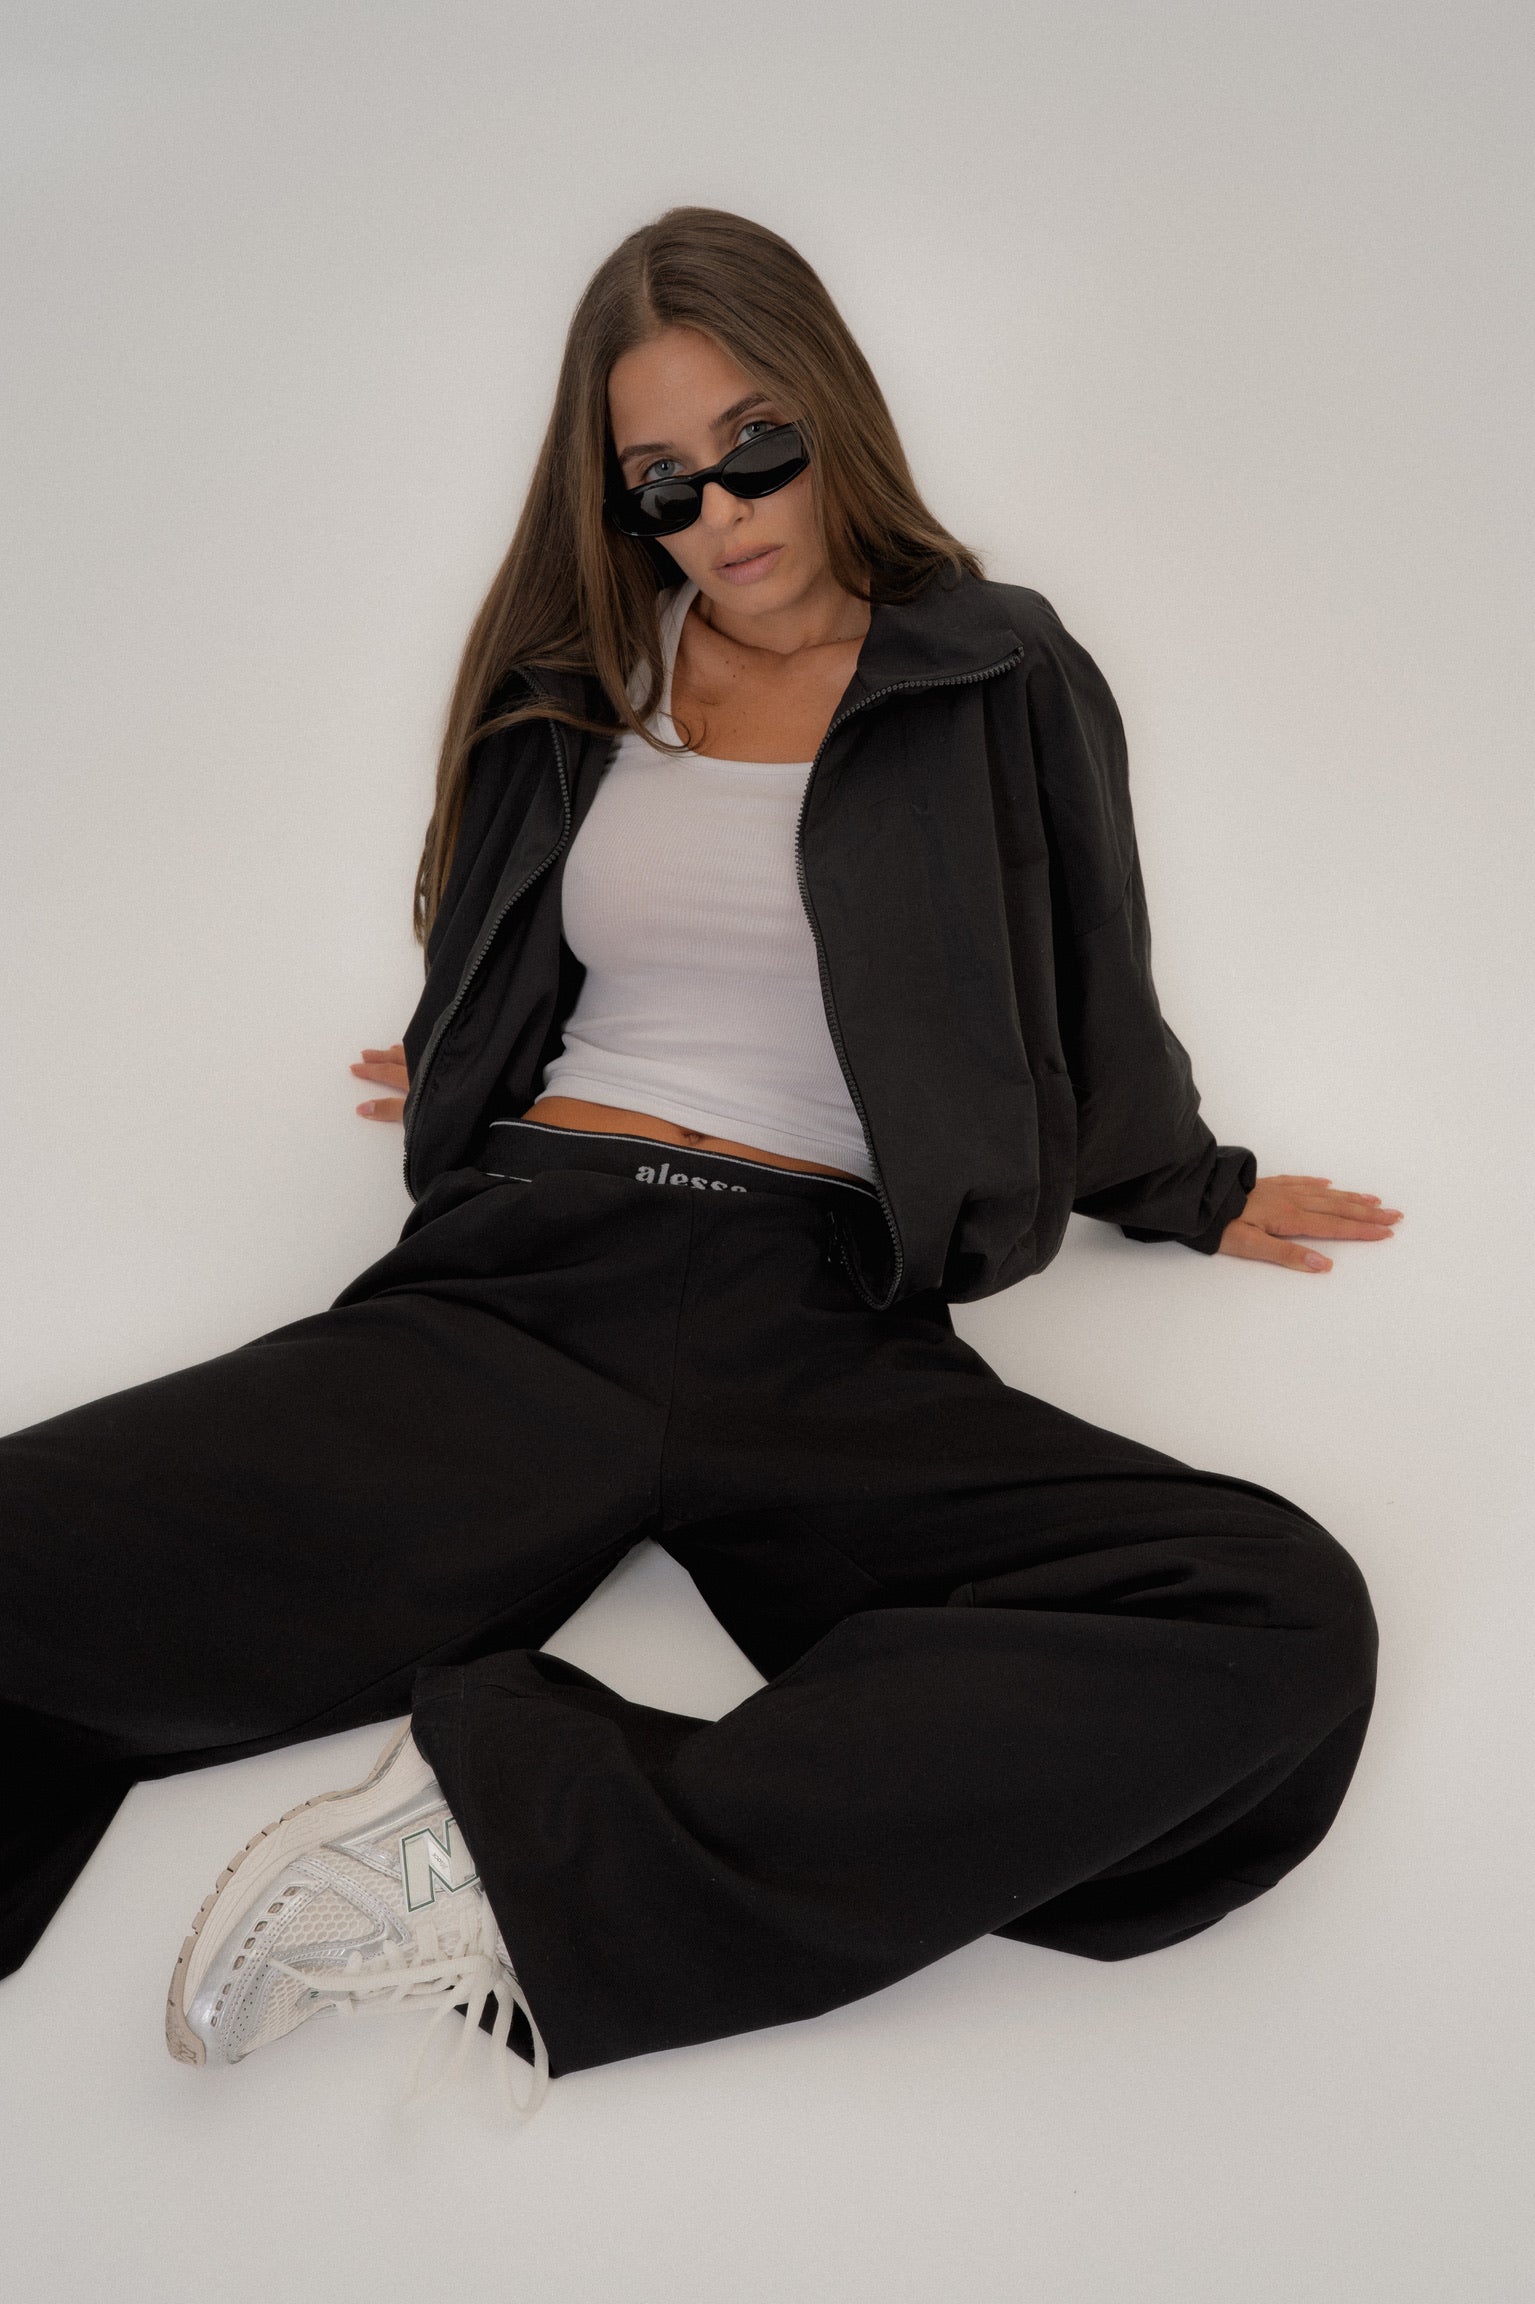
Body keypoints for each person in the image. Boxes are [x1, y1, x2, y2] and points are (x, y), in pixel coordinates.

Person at [1, 207, 1397, 2120]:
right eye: (662, 480)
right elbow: (512, 940)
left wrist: (1191, 1189)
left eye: (756, 446)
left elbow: (1090, 967)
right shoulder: (575, 679)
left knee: (1276, 1619)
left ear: (831, 410)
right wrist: (465, 1053)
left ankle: (493, 1852)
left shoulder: (994, 666)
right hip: (531, 1274)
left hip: (822, 1310)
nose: (722, 511)